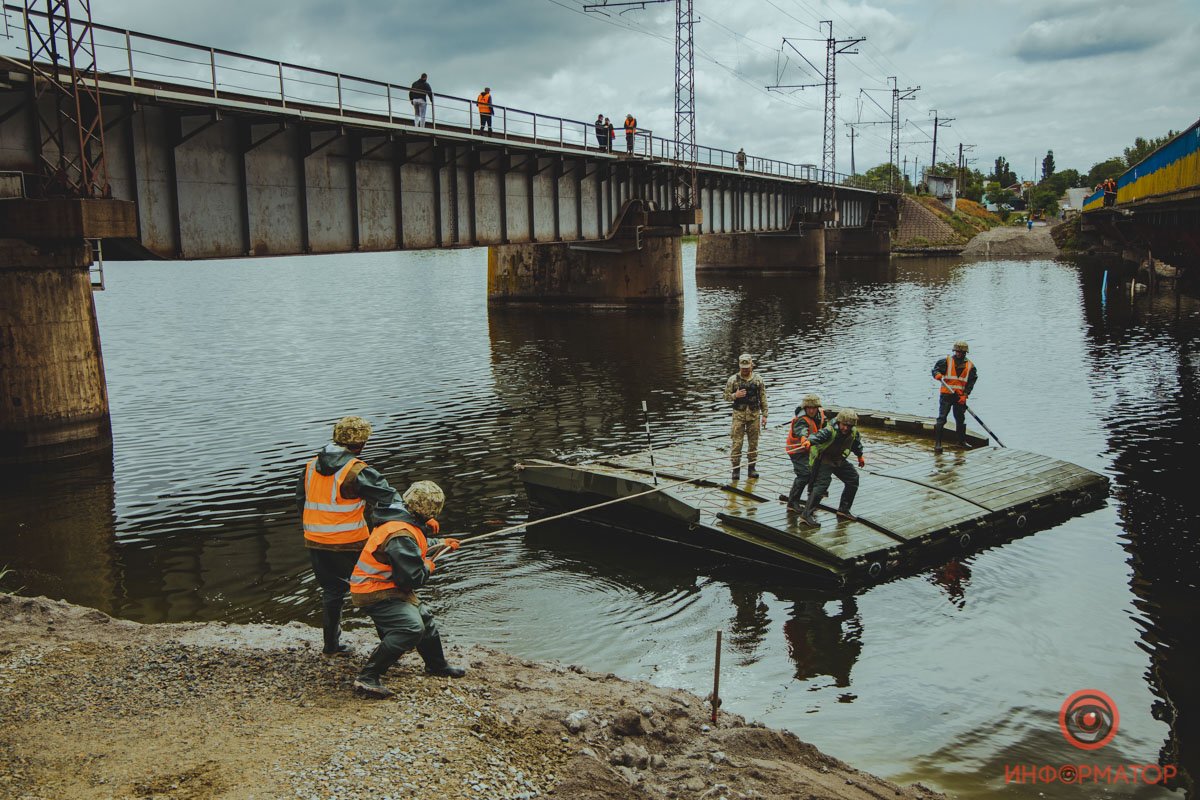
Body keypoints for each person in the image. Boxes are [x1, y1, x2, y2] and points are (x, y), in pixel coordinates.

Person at [350, 482, 467, 697]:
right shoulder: (400, 534)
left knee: (425, 619)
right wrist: (428, 567)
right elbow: (412, 578)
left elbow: (413, 547)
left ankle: (436, 665)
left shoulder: (399, 517)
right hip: (374, 591)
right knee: (411, 628)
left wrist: (441, 543)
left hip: (383, 586)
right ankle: (368, 677)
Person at [298, 416, 400, 656]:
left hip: (316, 540)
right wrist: (418, 521)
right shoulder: (357, 471)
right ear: (361, 443)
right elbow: (390, 499)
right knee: (375, 588)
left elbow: (300, 501)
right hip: (349, 542)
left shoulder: (310, 466)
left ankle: (331, 646)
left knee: (333, 592)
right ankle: (390, 645)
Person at [799, 409, 865, 527]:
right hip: (824, 459)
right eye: (844, 425)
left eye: (849, 426)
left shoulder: (853, 432)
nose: (846, 428)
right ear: (839, 422)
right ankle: (806, 515)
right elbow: (818, 436)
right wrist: (808, 441)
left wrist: (860, 456)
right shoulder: (830, 430)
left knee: (853, 478)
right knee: (821, 486)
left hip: (839, 458)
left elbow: (856, 444)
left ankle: (844, 509)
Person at [723, 353, 768, 481]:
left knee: (753, 443)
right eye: (743, 368)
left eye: (747, 368)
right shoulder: (733, 380)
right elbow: (725, 396)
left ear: (751, 366)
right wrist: (735, 395)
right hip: (738, 416)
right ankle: (736, 470)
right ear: (739, 366)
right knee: (737, 443)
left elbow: (763, 397)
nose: (745, 370)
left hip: (754, 416)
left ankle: (751, 468)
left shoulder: (758, 380)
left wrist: (765, 415)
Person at [931, 340, 978, 454]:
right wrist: (937, 374)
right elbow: (935, 370)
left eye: (960, 352)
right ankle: (938, 444)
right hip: (946, 395)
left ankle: (961, 442)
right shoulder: (946, 362)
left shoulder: (970, 366)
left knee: (960, 419)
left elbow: (971, 382)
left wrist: (965, 395)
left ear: (965, 353)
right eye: (956, 351)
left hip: (959, 397)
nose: (958, 354)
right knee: (942, 418)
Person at [784, 394, 826, 511]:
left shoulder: (821, 414)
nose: (811, 411)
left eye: (814, 408)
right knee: (804, 474)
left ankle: (811, 496)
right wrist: (803, 438)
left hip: (811, 449)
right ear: (805, 408)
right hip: (797, 450)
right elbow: (801, 430)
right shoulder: (801, 419)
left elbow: (825, 426)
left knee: (815, 471)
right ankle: (792, 503)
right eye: (809, 408)